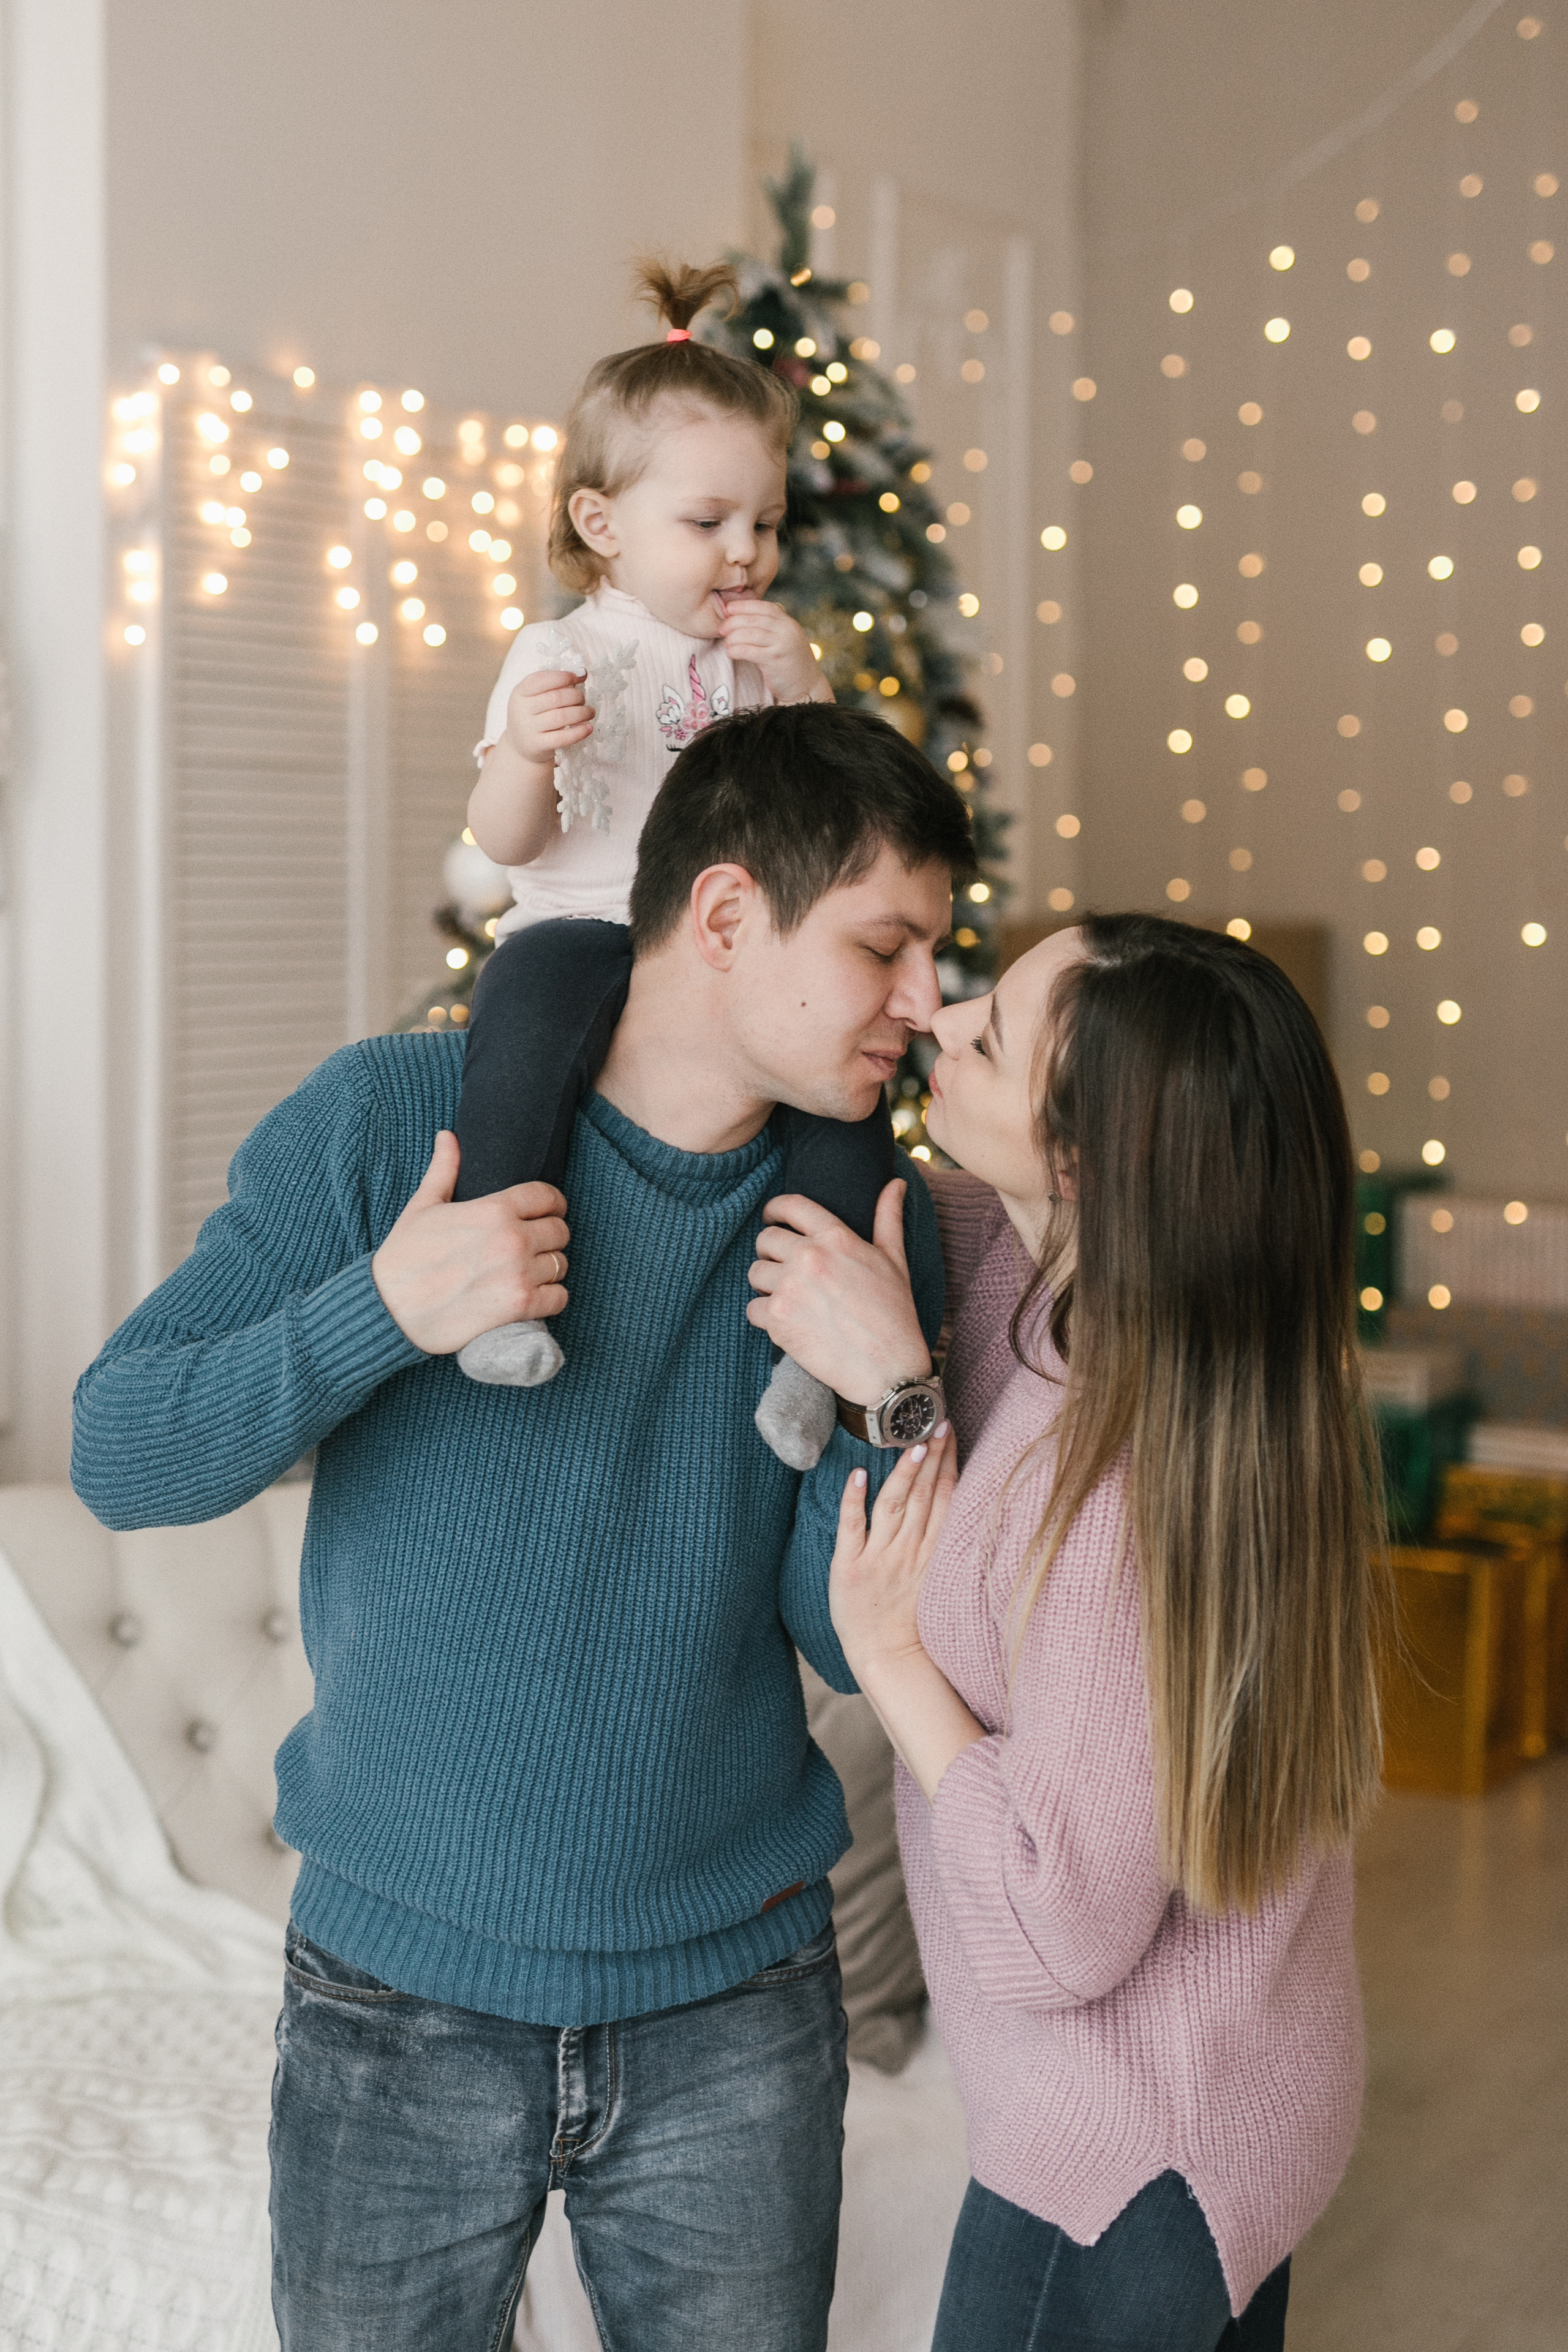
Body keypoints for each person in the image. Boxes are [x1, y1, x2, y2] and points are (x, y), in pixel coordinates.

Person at [71, 700, 973, 2352]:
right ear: (724, 913)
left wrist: (889, 1394)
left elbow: (847, 1640)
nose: (925, 1002)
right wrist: (383, 1308)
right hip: (392, 2000)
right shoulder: (390, 1123)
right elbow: (122, 1453)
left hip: (737, 2007)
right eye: (883, 947)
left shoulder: (862, 1236)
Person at [748, 913, 1384, 2352]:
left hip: (1128, 2156)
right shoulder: (1063, 1280)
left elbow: (1058, 1931)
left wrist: (893, 1661)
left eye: (986, 1038)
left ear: (1087, 1163)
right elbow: (834, 1165)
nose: (938, 1020)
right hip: (1224, 2098)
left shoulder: (1126, 1493)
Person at [456, 253, 883, 1474]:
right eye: (707, 524)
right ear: (603, 524)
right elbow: (504, 842)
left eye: (766, 524)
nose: (745, 552)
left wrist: (804, 688)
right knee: (521, 1035)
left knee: (844, 1104)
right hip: (586, 926)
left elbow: (837, 811)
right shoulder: (558, 653)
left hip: (732, 954)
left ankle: (817, 1357)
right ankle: (498, 1288)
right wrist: (525, 754)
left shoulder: (759, 661)